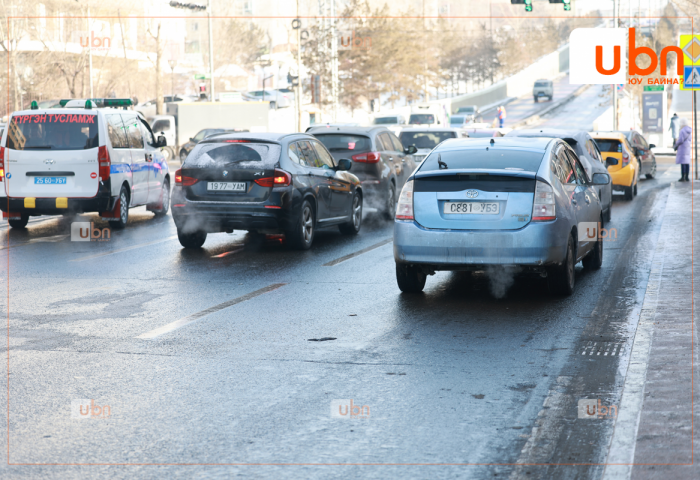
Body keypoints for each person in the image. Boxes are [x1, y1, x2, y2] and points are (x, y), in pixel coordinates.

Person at [674, 117, 692, 182]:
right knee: (687, 162)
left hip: (682, 148)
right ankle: (687, 177)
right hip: (687, 147)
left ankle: (683, 177)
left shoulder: (682, 130)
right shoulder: (689, 130)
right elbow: (690, 139)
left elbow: (681, 140)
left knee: (683, 163)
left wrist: (676, 142)